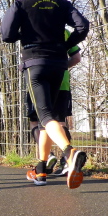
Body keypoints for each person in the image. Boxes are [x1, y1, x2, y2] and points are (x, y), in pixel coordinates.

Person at [1, 0, 89, 188]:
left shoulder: (21, 3)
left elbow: (7, 35)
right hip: (58, 64)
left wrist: (25, 34)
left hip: (35, 63)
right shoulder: (62, 4)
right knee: (47, 118)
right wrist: (64, 45)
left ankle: (69, 153)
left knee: (45, 116)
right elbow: (83, 26)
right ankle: (41, 170)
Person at [27, 31, 81, 177]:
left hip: (38, 80)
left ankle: (47, 157)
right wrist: (61, 66)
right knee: (59, 122)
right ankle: (66, 163)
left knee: (37, 121)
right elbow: (76, 57)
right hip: (61, 81)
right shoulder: (64, 31)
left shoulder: (31, 29)